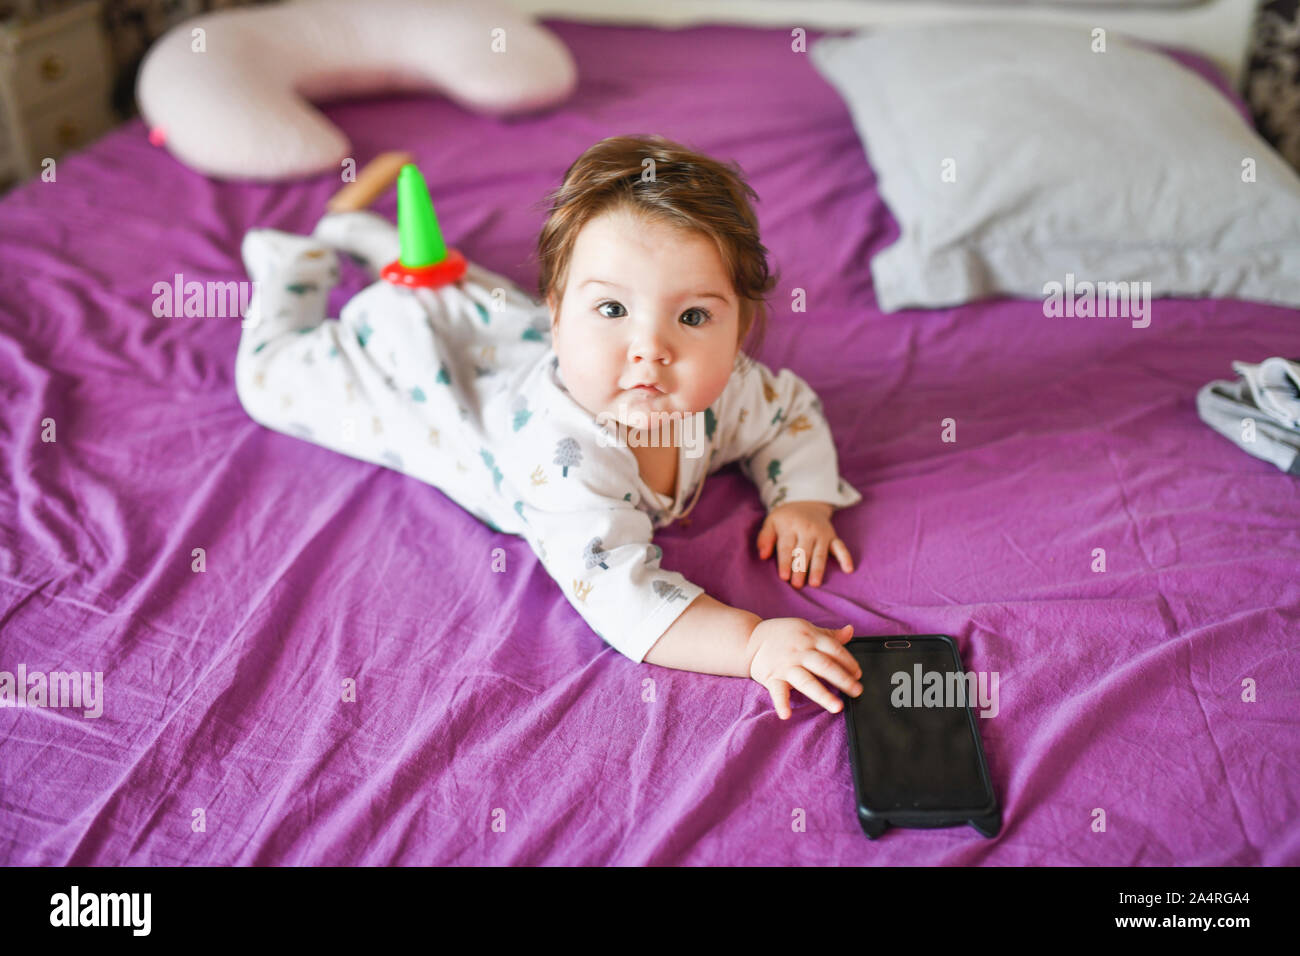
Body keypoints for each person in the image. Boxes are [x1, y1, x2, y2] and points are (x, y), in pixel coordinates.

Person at [235, 134, 864, 719]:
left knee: (452, 287)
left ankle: (386, 246)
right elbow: (627, 598)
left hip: (510, 337)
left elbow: (791, 413)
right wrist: (753, 644)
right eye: (614, 308)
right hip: (429, 382)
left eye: (694, 315)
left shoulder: (726, 392)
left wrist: (803, 500)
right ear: (558, 315)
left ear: (739, 333)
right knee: (271, 382)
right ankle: (290, 264)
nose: (650, 348)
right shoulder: (569, 462)